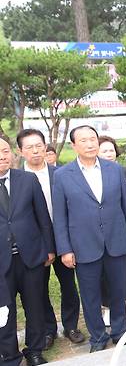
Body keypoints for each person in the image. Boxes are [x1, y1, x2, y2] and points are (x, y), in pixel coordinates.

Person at [52, 125, 126, 353]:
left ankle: (120, 332)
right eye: (84, 140)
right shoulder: (62, 175)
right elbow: (60, 216)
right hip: (83, 245)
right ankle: (98, 337)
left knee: (118, 291)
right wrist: (65, 249)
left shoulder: (114, 170)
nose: (90, 144)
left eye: (93, 139)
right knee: (90, 295)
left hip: (116, 240)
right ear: (74, 146)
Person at [16, 129, 84, 350]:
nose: (36, 151)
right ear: (21, 151)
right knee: (39, 288)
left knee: (69, 285)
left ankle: (71, 325)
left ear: (46, 146)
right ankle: (48, 330)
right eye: (30, 147)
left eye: (39, 145)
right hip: (34, 245)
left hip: (63, 237)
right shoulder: (16, 179)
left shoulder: (60, 174)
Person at [0, 136, 53, 366]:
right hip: (1, 262)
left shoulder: (28, 179)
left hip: (30, 256)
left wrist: (49, 249)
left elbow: (43, 217)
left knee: (35, 306)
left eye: (4, 151)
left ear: (12, 153)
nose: (2, 157)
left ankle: (34, 351)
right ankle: (10, 358)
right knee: (5, 311)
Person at [97, 136, 126, 323]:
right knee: (103, 269)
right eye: (104, 150)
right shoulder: (93, 173)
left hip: (123, 228)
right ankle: (107, 306)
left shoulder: (123, 172)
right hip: (99, 231)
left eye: (111, 150)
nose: (109, 154)